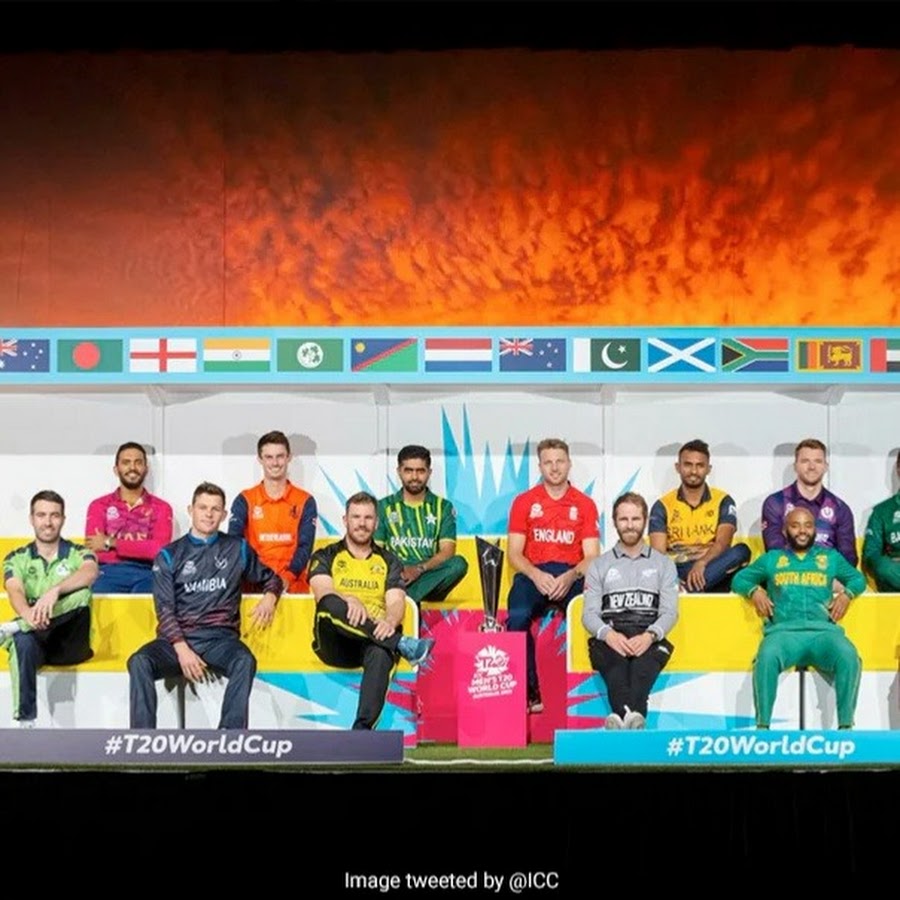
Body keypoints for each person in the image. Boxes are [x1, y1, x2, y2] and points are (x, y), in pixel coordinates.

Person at [127, 482, 283, 729]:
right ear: (191, 510)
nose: (209, 514)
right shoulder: (169, 554)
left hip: (219, 639)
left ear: (224, 514)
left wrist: (270, 597)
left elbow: (272, 578)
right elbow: (164, 609)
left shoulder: (237, 548)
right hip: (176, 641)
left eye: (215, 509)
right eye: (203, 508)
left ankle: (230, 735)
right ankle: (142, 737)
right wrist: (182, 649)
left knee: (244, 661)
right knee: (139, 662)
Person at [308, 492, 435, 730]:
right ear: (345, 520)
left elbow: (396, 602)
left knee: (380, 653)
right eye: (356, 517)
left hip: (374, 641)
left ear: (376, 523)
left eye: (368, 518)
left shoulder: (389, 560)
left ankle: (362, 733)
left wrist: (390, 620)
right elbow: (322, 591)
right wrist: (349, 599)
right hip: (335, 643)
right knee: (328, 604)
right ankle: (400, 643)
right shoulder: (325, 555)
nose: (362, 523)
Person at [732, 506, 866, 730]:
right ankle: (763, 727)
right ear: (785, 531)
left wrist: (847, 594)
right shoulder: (772, 559)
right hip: (784, 633)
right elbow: (740, 579)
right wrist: (755, 591)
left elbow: (858, 579)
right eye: (795, 526)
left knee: (849, 656)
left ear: (815, 530)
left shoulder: (830, 557)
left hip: (823, 633)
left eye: (808, 526)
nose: (802, 531)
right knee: (766, 656)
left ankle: (846, 727)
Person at [506, 438, 600, 714]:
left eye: (560, 461)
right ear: (540, 466)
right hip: (534, 573)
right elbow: (514, 553)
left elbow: (592, 556)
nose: (555, 467)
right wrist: (536, 575)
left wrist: (570, 576)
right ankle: (530, 693)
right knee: (517, 617)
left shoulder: (584, 504)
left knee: (592, 618)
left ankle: (593, 695)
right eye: (548, 462)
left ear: (569, 464)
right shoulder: (524, 502)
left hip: (571, 574)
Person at [2, 490, 99, 726]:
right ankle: (25, 721)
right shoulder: (16, 557)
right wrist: (28, 615)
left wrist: (54, 591)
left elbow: (90, 572)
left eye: (54, 515)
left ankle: (16, 627)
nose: (48, 522)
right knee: (21, 642)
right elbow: (14, 590)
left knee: (82, 595)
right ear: (31, 518)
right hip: (37, 638)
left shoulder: (79, 552)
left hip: (70, 642)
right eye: (41, 515)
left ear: (63, 519)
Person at [582, 492, 678, 730]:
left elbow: (669, 612)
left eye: (635, 519)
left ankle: (619, 719)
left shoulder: (664, 564)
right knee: (616, 670)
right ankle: (634, 721)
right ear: (615, 522)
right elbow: (589, 614)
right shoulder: (599, 565)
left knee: (640, 672)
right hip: (610, 635)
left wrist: (649, 636)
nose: (630, 525)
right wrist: (609, 635)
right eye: (623, 519)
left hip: (650, 635)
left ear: (644, 520)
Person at [648, 439, 751, 592]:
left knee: (741, 551)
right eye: (688, 465)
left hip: (710, 564)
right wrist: (671, 578)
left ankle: (688, 590)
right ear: (678, 467)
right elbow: (658, 554)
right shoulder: (662, 505)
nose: (694, 471)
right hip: (678, 568)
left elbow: (723, 543)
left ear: (708, 469)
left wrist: (702, 563)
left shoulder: (723, 500)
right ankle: (693, 586)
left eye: (700, 465)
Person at [374, 444, 468, 604]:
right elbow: (376, 550)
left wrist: (419, 569)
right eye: (408, 470)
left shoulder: (443, 507)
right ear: (399, 471)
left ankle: (405, 599)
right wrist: (399, 571)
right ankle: (407, 598)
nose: (414, 477)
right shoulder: (383, 506)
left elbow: (447, 551)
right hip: (396, 576)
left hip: (430, 576)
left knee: (458, 564)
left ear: (429, 472)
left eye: (420, 471)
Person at [228, 430, 318, 594]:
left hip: (292, 589)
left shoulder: (305, 500)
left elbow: (305, 548)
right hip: (254, 588)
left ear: (289, 457)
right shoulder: (245, 499)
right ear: (260, 459)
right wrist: (262, 579)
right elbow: (235, 543)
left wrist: (285, 579)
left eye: (280, 456)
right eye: (269, 457)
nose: (275, 463)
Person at [84, 441, 174, 593]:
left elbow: (158, 550)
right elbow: (96, 549)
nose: (132, 467)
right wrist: (141, 548)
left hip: (148, 573)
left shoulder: (162, 508)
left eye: (138, 462)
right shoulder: (99, 505)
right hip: (108, 572)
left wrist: (111, 542)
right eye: (126, 462)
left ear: (146, 469)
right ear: (116, 469)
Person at [761, 438, 858, 566]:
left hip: (828, 575)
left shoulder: (840, 508)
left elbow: (848, 557)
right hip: (787, 574)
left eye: (818, 461)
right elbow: (775, 551)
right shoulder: (775, 503)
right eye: (805, 461)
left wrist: (826, 573)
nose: (812, 467)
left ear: (826, 467)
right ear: (795, 466)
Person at [861, 454, 900, 591]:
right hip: (894, 581)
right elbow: (871, 556)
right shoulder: (881, 512)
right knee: (883, 566)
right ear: (898, 469)